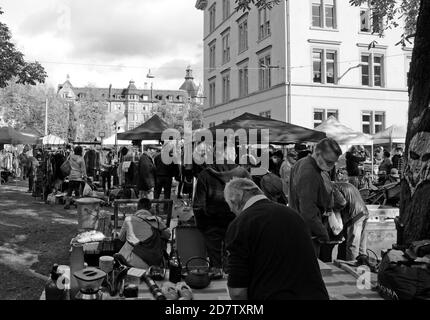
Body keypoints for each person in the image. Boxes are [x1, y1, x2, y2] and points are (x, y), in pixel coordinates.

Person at [224, 178, 329, 300]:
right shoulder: (293, 215)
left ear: (234, 202)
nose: (234, 213)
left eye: (231, 208)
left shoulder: (240, 224)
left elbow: (237, 292)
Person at [193, 149, 250, 275]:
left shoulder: (205, 174)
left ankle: (217, 273)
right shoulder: (243, 173)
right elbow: (251, 200)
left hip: (212, 224)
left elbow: (198, 205)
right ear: (233, 155)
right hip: (236, 223)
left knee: (216, 266)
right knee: (235, 263)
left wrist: (203, 226)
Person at [289, 138, 342, 256]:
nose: (331, 166)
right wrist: (323, 234)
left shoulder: (303, 163)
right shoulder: (309, 173)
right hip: (308, 233)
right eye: (329, 162)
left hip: (303, 229)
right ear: (318, 154)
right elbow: (308, 212)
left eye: (333, 163)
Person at [117, 198, 171, 268]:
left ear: (138, 208)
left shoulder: (129, 219)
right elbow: (168, 235)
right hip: (152, 263)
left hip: (130, 262)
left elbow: (121, 238)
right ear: (150, 208)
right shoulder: (157, 220)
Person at [332, 182, 369, 261]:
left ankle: (352, 268)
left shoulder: (332, 188)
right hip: (363, 212)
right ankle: (363, 266)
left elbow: (341, 203)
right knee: (361, 247)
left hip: (355, 216)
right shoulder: (342, 185)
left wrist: (331, 209)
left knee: (352, 246)